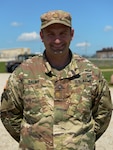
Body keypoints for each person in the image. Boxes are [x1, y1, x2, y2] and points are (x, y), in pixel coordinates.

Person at [0, 10, 112, 150]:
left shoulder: (91, 73)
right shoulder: (23, 73)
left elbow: (104, 113)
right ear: (42, 36)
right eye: (51, 34)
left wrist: (82, 140)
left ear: (72, 34)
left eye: (62, 33)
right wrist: (32, 140)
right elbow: (8, 113)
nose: (57, 40)